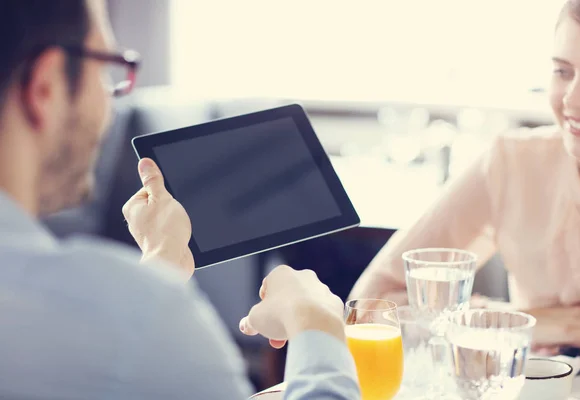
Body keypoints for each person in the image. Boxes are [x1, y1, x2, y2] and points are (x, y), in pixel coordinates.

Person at [0, 1, 360, 399]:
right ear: (45, 87)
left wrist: (163, 260)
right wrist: (316, 320)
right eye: (105, 70)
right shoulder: (142, 319)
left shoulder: (103, 319)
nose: (108, 101)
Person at [350, 0, 580, 352]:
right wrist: (521, 322)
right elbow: (370, 306)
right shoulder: (514, 164)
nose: (573, 98)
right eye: (562, 71)